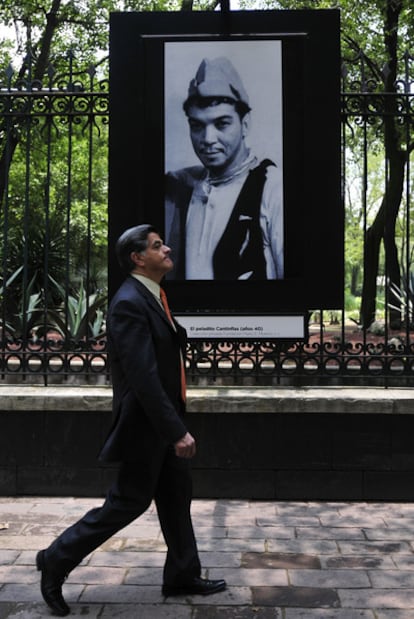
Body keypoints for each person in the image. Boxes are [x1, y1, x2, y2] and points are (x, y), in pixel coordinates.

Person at [36, 224, 226, 617]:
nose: (167, 248)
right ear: (138, 258)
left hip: (164, 419)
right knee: (127, 502)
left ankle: (182, 574)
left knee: (176, 499)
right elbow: (142, 378)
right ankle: (57, 559)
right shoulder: (129, 302)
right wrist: (174, 430)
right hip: (147, 426)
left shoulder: (151, 296)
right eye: (158, 246)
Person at [165, 56, 284, 281]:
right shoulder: (183, 188)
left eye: (222, 124)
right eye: (197, 126)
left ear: (245, 124)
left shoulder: (272, 187)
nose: (208, 139)